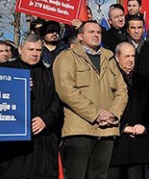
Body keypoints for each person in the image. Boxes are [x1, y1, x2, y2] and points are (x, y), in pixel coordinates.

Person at [53, 20, 128, 179]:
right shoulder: (67, 57)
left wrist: (113, 114)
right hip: (79, 130)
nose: (96, 35)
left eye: (99, 32)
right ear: (80, 36)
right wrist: (95, 114)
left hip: (107, 130)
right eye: (91, 32)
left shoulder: (109, 58)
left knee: (99, 176)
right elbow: (66, 90)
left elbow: (122, 90)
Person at [0, 35, 62, 179]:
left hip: (43, 144)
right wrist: (15, 89)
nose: (34, 54)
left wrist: (46, 119)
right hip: (13, 149)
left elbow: (58, 100)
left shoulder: (50, 73)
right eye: (30, 49)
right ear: (20, 49)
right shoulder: (5, 70)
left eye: (38, 50)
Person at [109, 42, 149, 179]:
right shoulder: (109, 79)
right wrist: (124, 127)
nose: (130, 59)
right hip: (116, 144)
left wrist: (143, 125)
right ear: (117, 57)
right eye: (126, 56)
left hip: (138, 143)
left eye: (133, 56)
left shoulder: (143, 79)